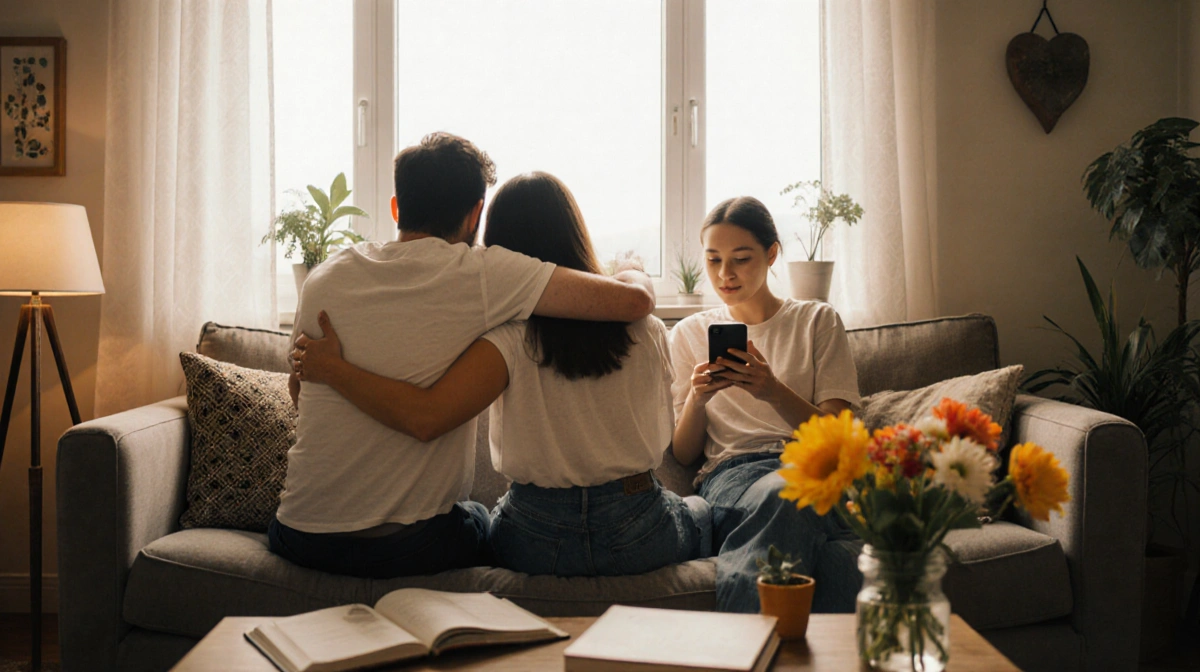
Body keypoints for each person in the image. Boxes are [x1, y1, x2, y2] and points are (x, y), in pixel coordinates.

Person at [270, 134, 657, 579]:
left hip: (298, 535)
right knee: (477, 517)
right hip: (409, 546)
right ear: (476, 213)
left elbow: (300, 393)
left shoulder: (323, 277)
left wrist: (338, 372)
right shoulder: (482, 273)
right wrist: (635, 272)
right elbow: (632, 304)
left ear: (397, 208)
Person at [669, 196, 862, 613]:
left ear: (771, 253)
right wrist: (697, 399)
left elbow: (838, 437)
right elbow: (684, 453)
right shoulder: (688, 333)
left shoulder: (817, 321)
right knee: (811, 523)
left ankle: (745, 650)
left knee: (823, 537)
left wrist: (772, 390)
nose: (725, 274)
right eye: (713, 259)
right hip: (734, 475)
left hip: (814, 467)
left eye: (741, 259)